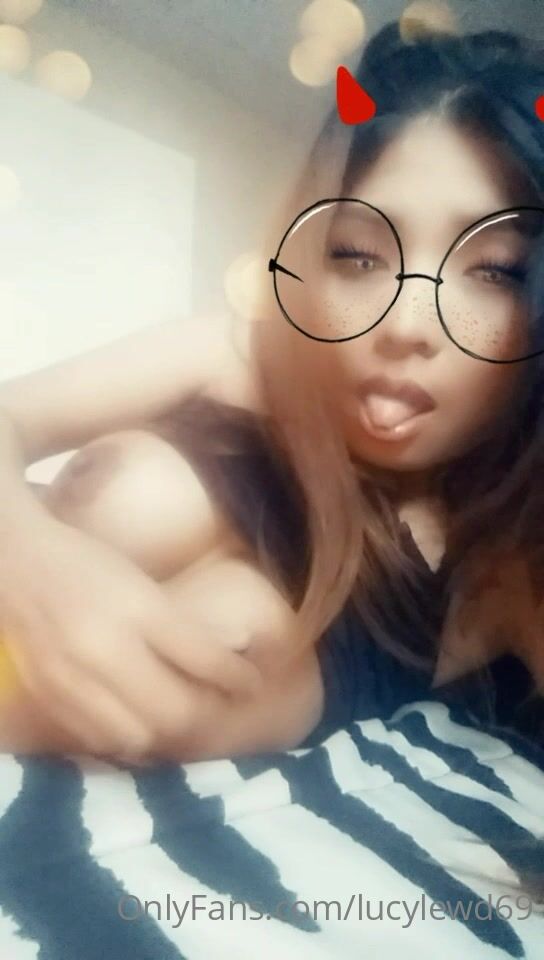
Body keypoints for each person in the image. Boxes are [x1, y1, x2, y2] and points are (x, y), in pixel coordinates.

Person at [0, 20, 543, 766]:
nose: (405, 324)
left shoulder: (496, 567)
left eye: (494, 271)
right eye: (359, 256)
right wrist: (30, 558)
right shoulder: (240, 354)